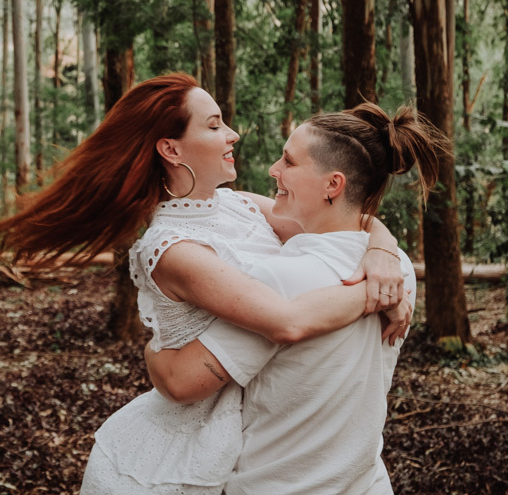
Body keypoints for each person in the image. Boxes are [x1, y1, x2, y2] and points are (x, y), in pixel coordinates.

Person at [0, 74, 411, 494]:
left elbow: (339, 217)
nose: (233, 134)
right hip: (193, 439)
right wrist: (374, 294)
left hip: (260, 421)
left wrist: (383, 249)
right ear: (171, 148)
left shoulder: (238, 204)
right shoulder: (174, 248)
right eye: (214, 125)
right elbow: (285, 320)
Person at [144, 103, 443, 495]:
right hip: (364, 483)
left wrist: (153, 339)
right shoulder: (394, 267)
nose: (273, 169)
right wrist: (383, 245)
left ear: (332, 185)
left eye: (288, 160)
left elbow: (180, 382)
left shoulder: (282, 278)